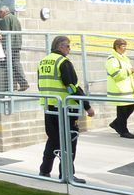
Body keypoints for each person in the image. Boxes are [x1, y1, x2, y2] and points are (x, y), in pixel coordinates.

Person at [38, 36, 95, 183]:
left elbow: (40, 85)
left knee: (53, 139)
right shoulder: (63, 62)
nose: (70, 49)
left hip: (49, 106)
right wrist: (87, 106)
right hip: (65, 107)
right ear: (61, 47)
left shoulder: (44, 61)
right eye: (68, 46)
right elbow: (71, 87)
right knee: (70, 140)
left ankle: (44, 171)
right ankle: (67, 174)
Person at [105, 39, 134, 139]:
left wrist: (132, 71)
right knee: (122, 111)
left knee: (130, 108)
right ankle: (123, 131)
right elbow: (116, 74)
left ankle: (116, 124)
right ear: (117, 47)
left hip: (127, 90)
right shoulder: (112, 59)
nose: (125, 48)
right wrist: (130, 71)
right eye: (123, 46)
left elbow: (132, 71)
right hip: (119, 90)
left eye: (125, 46)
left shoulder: (124, 58)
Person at [0, 5, 28, 91]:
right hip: (16, 44)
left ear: (3, 12)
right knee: (15, 64)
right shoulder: (14, 18)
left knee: (12, 65)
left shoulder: (6, 19)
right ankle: (16, 85)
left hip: (11, 46)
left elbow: (6, 34)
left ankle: (20, 84)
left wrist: (4, 47)